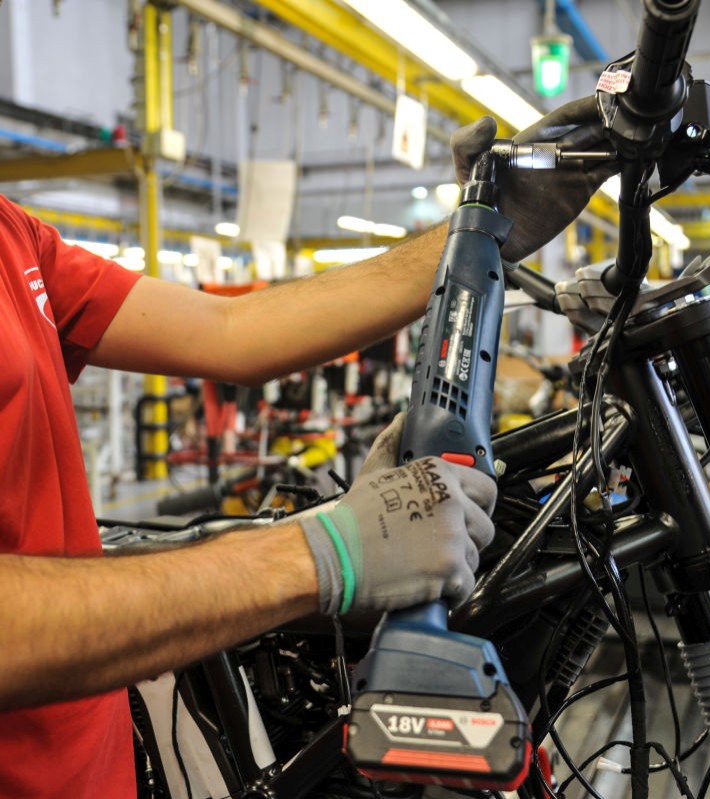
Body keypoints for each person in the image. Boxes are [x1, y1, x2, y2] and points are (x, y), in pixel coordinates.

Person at [0, 97, 617, 797]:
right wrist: (321, 552)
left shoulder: (12, 233)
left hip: (93, 763)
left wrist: (477, 230)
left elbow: (230, 331)